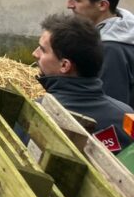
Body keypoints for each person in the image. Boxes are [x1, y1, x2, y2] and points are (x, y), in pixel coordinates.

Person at [33, 13, 133, 154]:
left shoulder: (38, 112)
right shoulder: (126, 117)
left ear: (65, 65)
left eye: (43, 50)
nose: (35, 54)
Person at [66, 0, 134, 106]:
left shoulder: (111, 49)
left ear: (102, 5)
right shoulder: (112, 32)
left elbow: (110, 109)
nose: (68, 5)